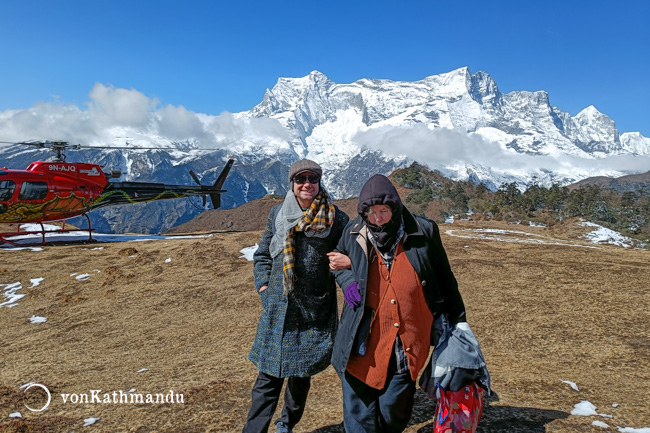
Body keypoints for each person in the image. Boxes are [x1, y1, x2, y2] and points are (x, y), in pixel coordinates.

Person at [328, 174, 467, 433]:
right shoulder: (353, 232)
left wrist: (459, 323)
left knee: (395, 411)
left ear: (395, 207)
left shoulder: (424, 231)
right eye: (371, 213)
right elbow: (337, 260)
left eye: (384, 211)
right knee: (358, 415)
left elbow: (445, 277)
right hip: (361, 340)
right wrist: (348, 281)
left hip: (406, 342)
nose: (378, 218)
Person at [243, 159, 349, 433]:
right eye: (301, 179)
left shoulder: (336, 218)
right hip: (277, 309)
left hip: (313, 312)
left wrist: (348, 271)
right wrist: (264, 289)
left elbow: (344, 257)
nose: (307, 185)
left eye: (312, 179)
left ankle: (287, 423)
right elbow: (263, 255)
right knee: (267, 378)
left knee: (301, 376)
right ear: (292, 183)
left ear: (319, 182)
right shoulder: (278, 213)